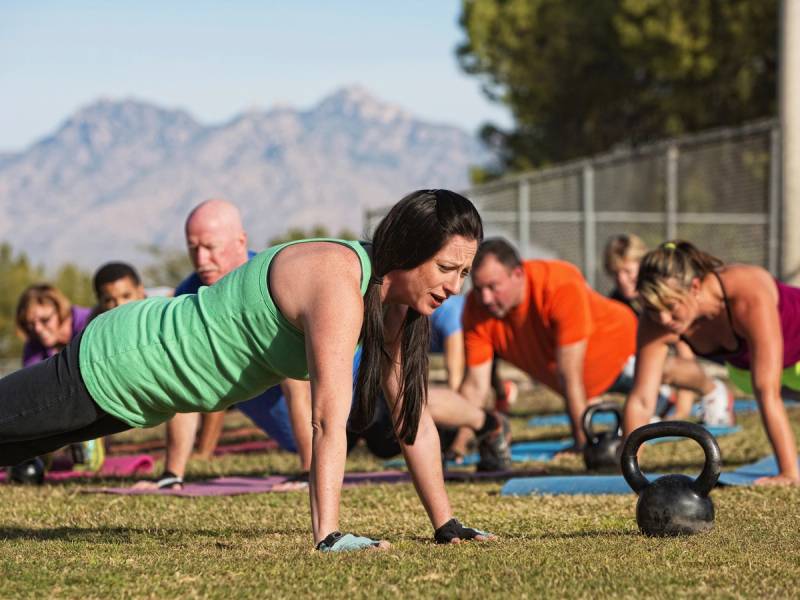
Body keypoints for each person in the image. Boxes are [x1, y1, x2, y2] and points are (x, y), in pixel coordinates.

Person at [0, 189, 494, 550]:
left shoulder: (393, 310)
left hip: (142, 396)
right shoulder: (340, 283)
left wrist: (446, 524)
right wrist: (329, 536)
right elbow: (327, 417)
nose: (455, 286)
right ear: (409, 250)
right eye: (446, 268)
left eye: (463, 273)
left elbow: (414, 420)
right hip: (123, 358)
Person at [459, 238, 721, 450]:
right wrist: (457, 447)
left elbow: (568, 373)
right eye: (479, 288)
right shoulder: (475, 308)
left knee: (662, 370)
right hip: (590, 384)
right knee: (642, 404)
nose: (485, 297)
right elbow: (475, 385)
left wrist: (582, 441)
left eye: (493, 287)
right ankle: (664, 403)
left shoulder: (557, 283)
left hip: (621, 347)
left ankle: (714, 391)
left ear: (518, 274)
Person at [134, 199, 312, 489]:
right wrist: (171, 475)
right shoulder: (189, 293)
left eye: (210, 247)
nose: (201, 259)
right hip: (295, 436)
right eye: (193, 248)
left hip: (357, 416)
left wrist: (309, 472)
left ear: (240, 241)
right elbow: (182, 382)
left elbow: (300, 382)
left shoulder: (274, 281)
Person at [623, 240, 800, 486]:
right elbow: (642, 399)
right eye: (653, 309)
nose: (663, 319)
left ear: (695, 287)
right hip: (745, 369)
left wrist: (789, 473)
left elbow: (767, 392)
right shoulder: (656, 320)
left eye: (671, 307)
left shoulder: (745, 292)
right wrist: (629, 472)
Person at [603, 234, 733, 425]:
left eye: (628, 272)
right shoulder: (617, 301)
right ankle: (661, 403)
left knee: (657, 367)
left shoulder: (669, 297)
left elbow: (685, 351)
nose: (623, 280)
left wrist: (682, 409)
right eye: (616, 274)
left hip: (691, 358)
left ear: (643, 265)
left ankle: (712, 391)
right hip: (651, 361)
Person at [13, 284, 103, 472]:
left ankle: (89, 449)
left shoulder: (90, 323)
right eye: (30, 324)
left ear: (61, 311)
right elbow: (31, 391)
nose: (37, 329)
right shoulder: (33, 344)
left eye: (45, 320)